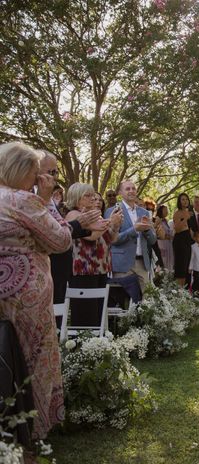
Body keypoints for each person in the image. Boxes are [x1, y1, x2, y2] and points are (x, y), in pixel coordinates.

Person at [0, 142, 72, 441]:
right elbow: (61, 240)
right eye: (35, 172)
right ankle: (35, 430)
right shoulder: (22, 200)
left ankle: (10, 431)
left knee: (6, 358)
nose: (38, 179)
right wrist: (45, 199)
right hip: (28, 295)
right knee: (35, 360)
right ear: (23, 170)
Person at [38, 150, 102, 304]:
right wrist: (83, 224)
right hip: (46, 271)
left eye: (56, 172)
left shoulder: (49, 198)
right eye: (50, 172)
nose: (54, 177)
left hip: (59, 272)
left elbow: (60, 228)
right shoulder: (29, 197)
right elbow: (49, 232)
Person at [66, 183, 122, 327]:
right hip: (84, 270)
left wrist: (115, 225)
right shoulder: (74, 215)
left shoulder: (96, 216)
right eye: (88, 195)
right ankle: (83, 345)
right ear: (77, 198)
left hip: (101, 269)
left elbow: (112, 238)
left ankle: (98, 346)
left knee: (99, 312)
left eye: (93, 195)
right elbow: (91, 236)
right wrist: (110, 221)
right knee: (86, 313)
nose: (93, 199)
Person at [105, 180, 157, 292]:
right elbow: (112, 240)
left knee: (147, 300)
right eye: (127, 189)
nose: (131, 191)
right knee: (124, 301)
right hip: (122, 263)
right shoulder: (112, 211)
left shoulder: (144, 212)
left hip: (142, 263)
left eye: (133, 188)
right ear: (120, 192)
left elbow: (152, 240)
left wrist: (147, 229)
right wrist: (134, 229)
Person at [173, 193, 193, 286]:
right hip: (180, 240)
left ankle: (183, 293)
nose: (185, 201)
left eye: (186, 199)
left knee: (185, 267)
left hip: (187, 239)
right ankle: (178, 291)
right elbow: (176, 229)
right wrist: (185, 218)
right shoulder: (177, 213)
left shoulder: (188, 211)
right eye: (183, 199)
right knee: (180, 266)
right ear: (179, 202)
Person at [154, 204, 174, 271]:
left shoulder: (165, 221)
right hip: (161, 244)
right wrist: (168, 236)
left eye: (167, 210)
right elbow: (158, 233)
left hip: (168, 244)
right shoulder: (157, 220)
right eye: (165, 210)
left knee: (169, 263)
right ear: (160, 211)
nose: (166, 212)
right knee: (163, 262)